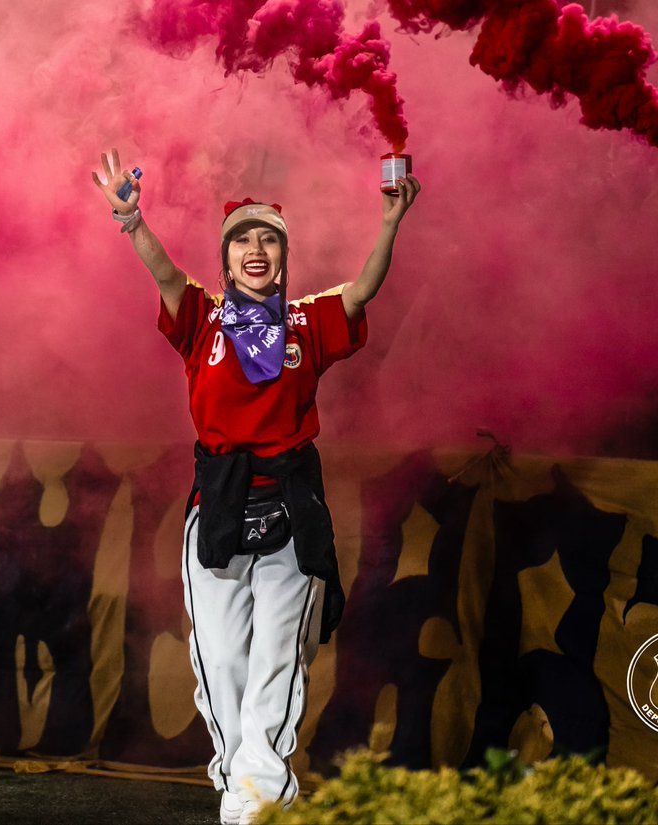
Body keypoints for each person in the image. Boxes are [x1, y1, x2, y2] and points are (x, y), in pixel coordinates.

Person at [91, 149, 420, 824]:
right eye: (244, 239)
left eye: (269, 238)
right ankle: (244, 783)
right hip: (217, 510)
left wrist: (390, 223)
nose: (257, 248)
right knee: (222, 665)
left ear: (283, 254)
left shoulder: (308, 321)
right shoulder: (202, 320)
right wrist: (132, 220)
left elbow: (362, 290)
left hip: (290, 513)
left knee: (277, 660)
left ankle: (258, 802)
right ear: (227, 256)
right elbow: (163, 271)